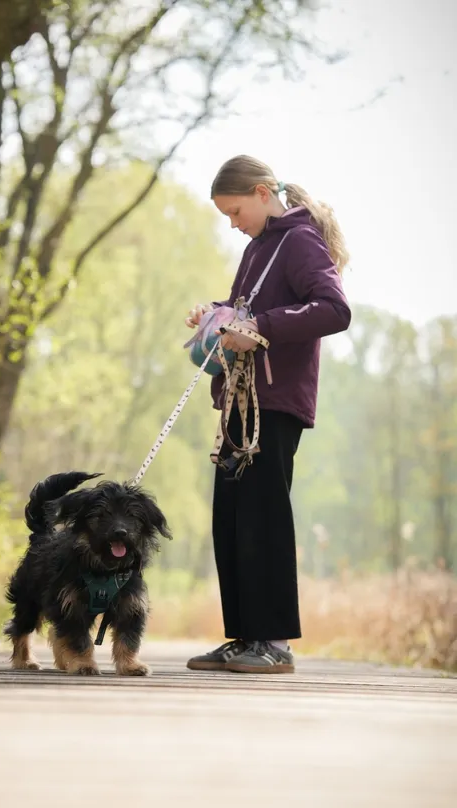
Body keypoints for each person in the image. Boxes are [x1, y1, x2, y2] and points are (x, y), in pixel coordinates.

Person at [185, 155, 351, 674]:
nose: (233, 224)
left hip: (275, 403)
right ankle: (244, 638)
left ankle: (274, 643)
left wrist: (260, 328)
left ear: (262, 193)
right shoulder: (258, 247)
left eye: (235, 212)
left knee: (264, 517)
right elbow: (249, 308)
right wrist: (214, 313)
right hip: (241, 397)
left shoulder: (300, 240)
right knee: (232, 518)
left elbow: (334, 309)